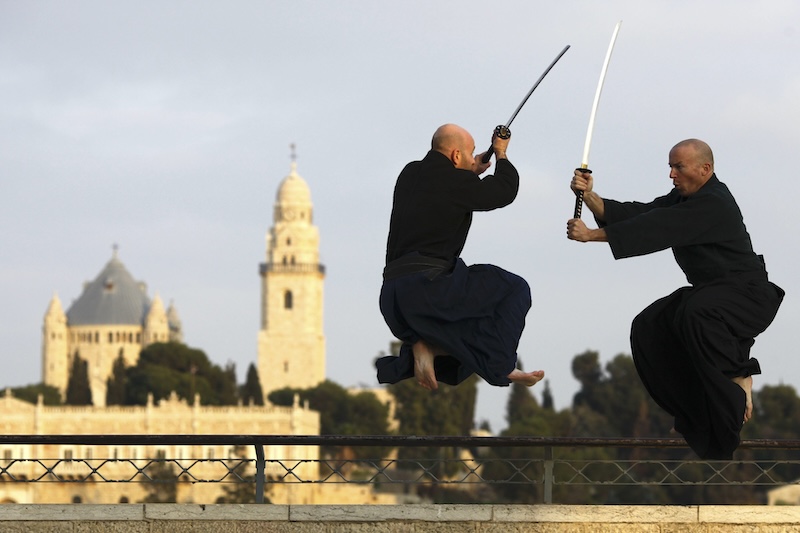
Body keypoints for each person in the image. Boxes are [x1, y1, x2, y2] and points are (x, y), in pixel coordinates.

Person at [566, 138, 784, 459]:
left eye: (678, 167)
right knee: (651, 324)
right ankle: (692, 412)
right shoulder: (681, 199)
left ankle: (739, 377)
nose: (671, 174)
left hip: (748, 296)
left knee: (697, 311)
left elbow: (658, 228)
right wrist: (590, 196)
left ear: (704, 169)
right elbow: (640, 214)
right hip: (713, 295)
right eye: (670, 167)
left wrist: (591, 235)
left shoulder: (714, 203)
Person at [376, 123, 544, 391]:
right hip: (428, 291)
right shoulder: (454, 183)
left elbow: (444, 190)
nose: (472, 158)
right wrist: (500, 154)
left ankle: (424, 346)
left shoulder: (408, 173)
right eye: (470, 154)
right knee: (513, 290)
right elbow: (504, 190)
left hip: (393, 299)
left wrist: (469, 173)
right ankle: (502, 365)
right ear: (455, 156)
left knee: (466, 324)